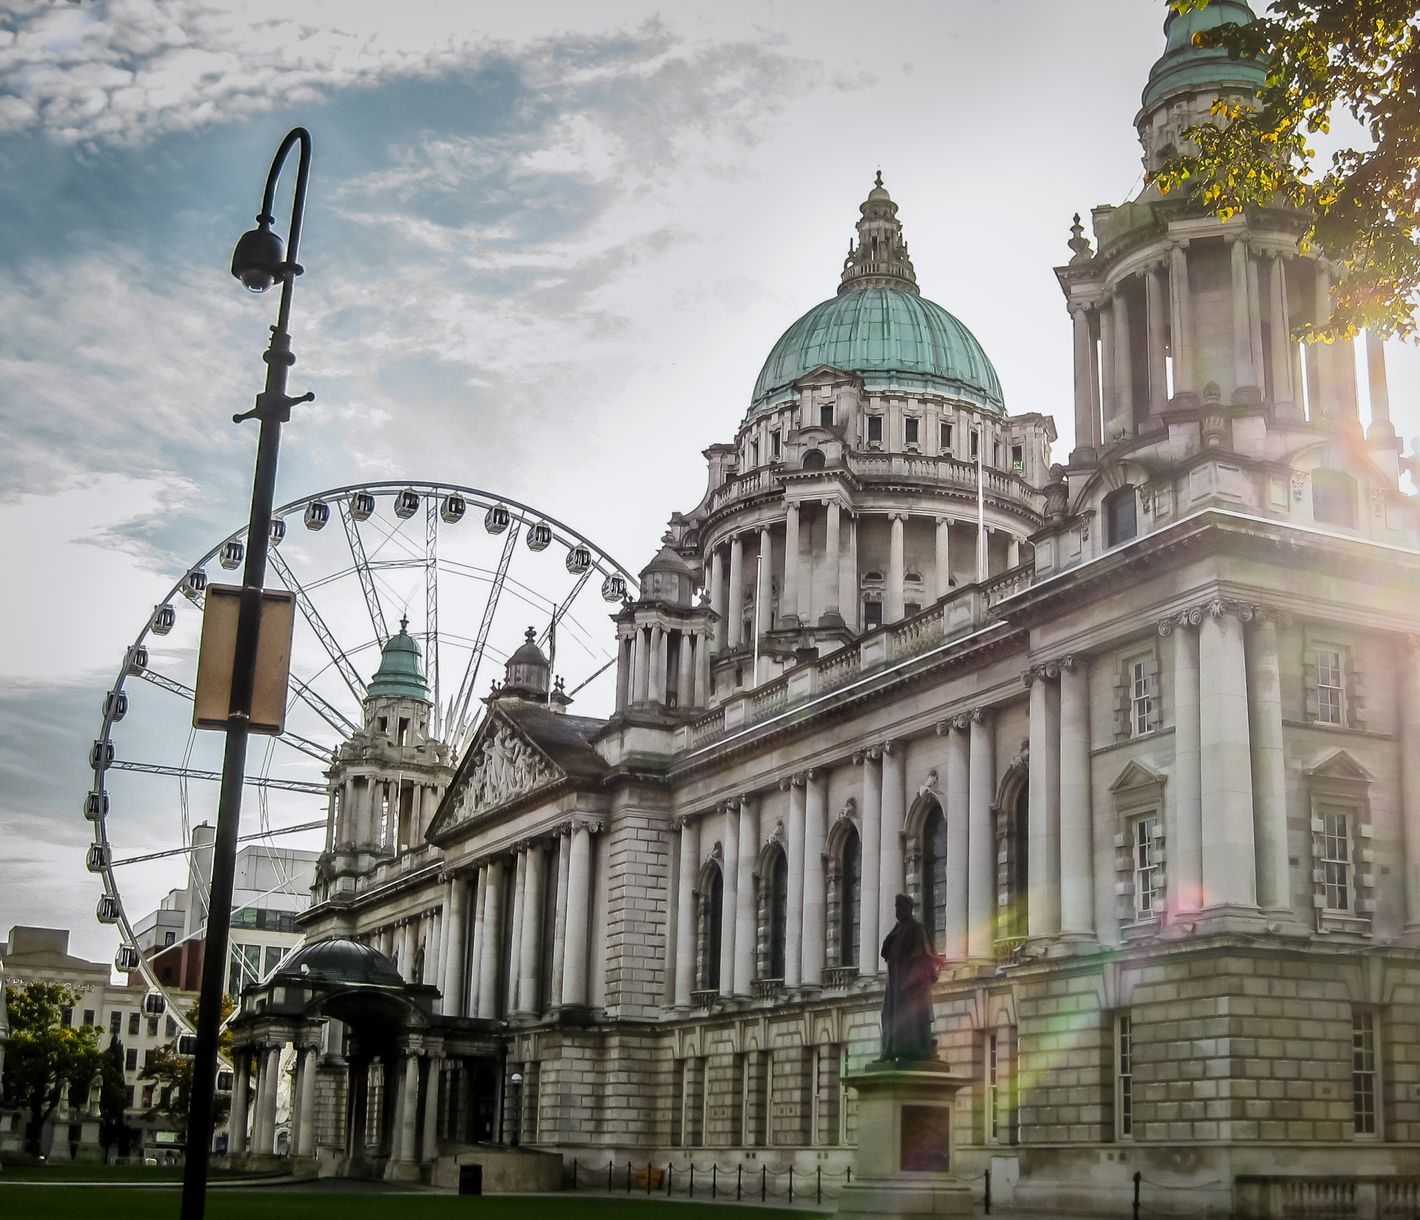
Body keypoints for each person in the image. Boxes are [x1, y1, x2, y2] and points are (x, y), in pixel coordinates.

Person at [879, 893, 943, 1061]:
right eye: (896, 907)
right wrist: (893, 933)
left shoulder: (917, 928)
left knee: (911, 1020)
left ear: (908, 908)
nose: (897, 911)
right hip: (894, 984)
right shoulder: (898, 929)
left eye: (900, 907)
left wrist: (911, 983)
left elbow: (926, 956)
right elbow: (885, 951)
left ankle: (912, 1052)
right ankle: (890, 1051)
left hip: (911, 986)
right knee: (888, 1017)